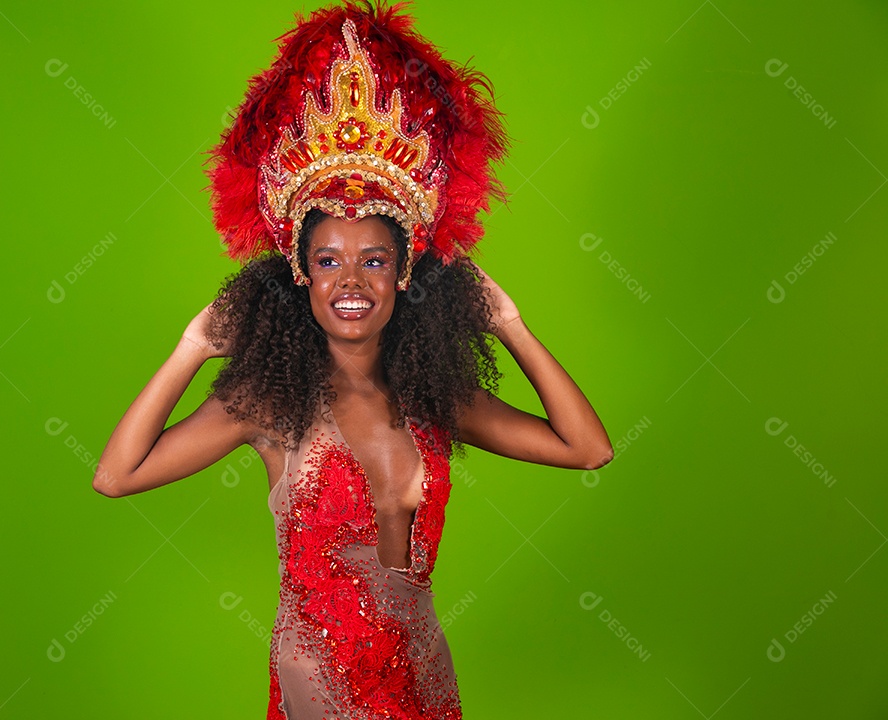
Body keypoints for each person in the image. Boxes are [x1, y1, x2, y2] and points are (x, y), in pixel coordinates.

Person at [93, 1, 613, 717]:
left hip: (424, 679)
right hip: (321, 685)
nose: (350, 283)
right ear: (301, 273)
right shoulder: (272, 403)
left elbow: (587, 449)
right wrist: (192, 347)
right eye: (327, 260)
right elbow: (117, 475)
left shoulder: (437, 398)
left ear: (403, 273)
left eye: (374, 260)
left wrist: (514, 328)